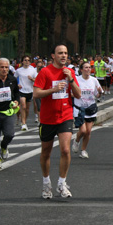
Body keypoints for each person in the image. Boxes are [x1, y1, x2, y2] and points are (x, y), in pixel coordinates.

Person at [33, 44, 81, 199]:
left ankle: (62, 182)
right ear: (53, 55)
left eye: (66, 53)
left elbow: (78, 95)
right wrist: (52, 90)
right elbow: (36, 93)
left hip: (65, 116)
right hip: (47, 118)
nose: (64, 56)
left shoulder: (70, 72)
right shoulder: (45, 72)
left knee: (65, 150)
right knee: (46, 152)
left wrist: (71, 79)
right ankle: (46, 183)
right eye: (60, 53)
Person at [71, 61, 102, 158]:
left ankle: (83, 150)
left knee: (88, 131)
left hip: (91, 108)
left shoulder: (94, 80)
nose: (88, 69)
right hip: (79, 108)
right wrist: (77, 94)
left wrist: (100, 92)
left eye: (89, 67)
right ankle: (76, 141)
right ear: (81, 70)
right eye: (86, 67)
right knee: (83, 130)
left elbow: (97, 94)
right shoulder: (76, 80)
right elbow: (71, 93)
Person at [14, 55, 37, 131]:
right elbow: (13, 79)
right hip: (21, 90)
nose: (27, 62)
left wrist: (32, 79)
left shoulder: (32, 70)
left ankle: (24, 121)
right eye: (25, 60)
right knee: (23, 106)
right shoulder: (19, 70)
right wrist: (17, 85)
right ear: (22, 61)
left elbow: (37, 80)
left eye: (28, 60)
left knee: (27, 109)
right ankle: (23, 123)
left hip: (30, 90)